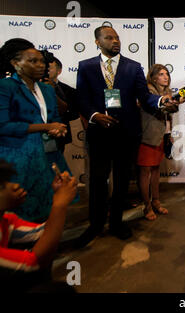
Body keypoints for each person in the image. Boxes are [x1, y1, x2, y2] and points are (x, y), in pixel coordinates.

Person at [76, 26, 179, 246]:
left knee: (122, 180)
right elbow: (82, 99)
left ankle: (116, 223)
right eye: (109, 37)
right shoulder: (86, 67)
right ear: (97, 42)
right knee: (97, 181)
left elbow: (145, 97)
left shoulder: (133, 67)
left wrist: (162, 101)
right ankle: (95, 225)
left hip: (126, 134)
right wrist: (94, 115)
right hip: (99, 133)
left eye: (117, 37)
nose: (115, 40)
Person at [0, 38, 70, 223]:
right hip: (17, 159)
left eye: (42, 61)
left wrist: (58, 129)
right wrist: (46, 127)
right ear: (15, 64)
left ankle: (42, 247)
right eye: (33, 61)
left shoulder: (46, 90)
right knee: (21, 211)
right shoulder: (6, 87)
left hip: (48, 157)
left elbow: (54, 118)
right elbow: (3, 126)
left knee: (48, 205)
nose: (41, 65)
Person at [0, 159, 77, 292]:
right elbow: (34, 262)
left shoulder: (6, 220)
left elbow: (41, 232)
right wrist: (59, 205)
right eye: (2, 186)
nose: (14, 186)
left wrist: (59, 198)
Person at [138, 64, 184, 221]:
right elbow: (160, 109)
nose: (166, 77)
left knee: (156, 169)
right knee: (145, 172)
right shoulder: (148, 91)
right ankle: (146, 206)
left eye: (167, 74)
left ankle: (156, 202)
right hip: (148, 136)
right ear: (154, 77)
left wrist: (169, 134)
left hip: (162, 136)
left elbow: (170, 112)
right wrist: (173, 102)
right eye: (162, 74)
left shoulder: (167, 92)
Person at [46, 57, 80, 153]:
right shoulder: (29, 87)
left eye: (49, 68)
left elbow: (73, 114)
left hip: (58, 136)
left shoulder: (69, 91)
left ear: (59, 71)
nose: (46, 70)